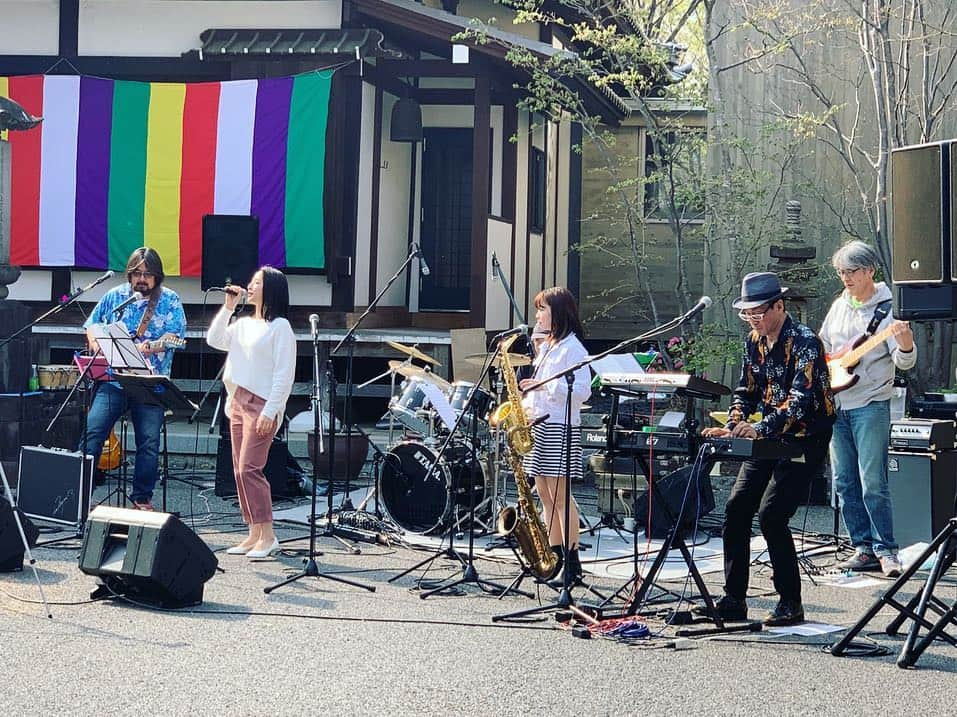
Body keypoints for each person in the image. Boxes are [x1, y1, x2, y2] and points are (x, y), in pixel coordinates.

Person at [701, 272, 836, 626]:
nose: (753, 320)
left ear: (779, 305)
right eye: (747, 314)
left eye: (758, 313)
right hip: (768, 436)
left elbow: (800, 402)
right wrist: (733, 426)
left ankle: (791, 601)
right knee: (736, 508)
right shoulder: (753, 341)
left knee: (772, 515)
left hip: (806, 436)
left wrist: (757, 428)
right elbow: (744, 390)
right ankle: (733, 598)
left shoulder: (806, 342)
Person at [819, 241, 914, 578]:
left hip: (871, 404)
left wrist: (905, 344)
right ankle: (862, 548)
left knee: (873, 481)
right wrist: (831, 366)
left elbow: (904, 361)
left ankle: (886, 549)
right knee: (844, 481)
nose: (845, 277)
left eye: (852, 271)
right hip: (839, 404)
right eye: (841, 272)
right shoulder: (838, 306)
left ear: (869, 270)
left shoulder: (888, 309)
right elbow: (824, 348)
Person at [81, 247, 186, 510]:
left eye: (148, 274)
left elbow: (177, 339)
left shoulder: (170, 300)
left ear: (157, 277)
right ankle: (80, 494)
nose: (142, 279)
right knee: (93, 432)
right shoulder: (115, 297)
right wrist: (96, 344)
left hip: (150, 382)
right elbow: (92, 325)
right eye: (137, 273)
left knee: (148, 442)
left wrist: (151, 347)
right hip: (114, 379)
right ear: (129, 275)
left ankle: (141, 497)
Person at [207, 267, 296, 559]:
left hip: (262, 403)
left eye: (257, 282)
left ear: (271, 289)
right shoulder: (244, 324)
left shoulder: (280, 327)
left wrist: (272, 410)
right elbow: (215, 340)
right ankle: (253, 533)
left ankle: (268, 535)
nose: (250, 286)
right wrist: (228, 307)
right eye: (251, 281)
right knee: (238, 470)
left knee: (250, 468)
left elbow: (285, 374)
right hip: (238, 399)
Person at [519, 287, 592, 583]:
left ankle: (573, 564)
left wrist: (543, 385)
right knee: (546, 496)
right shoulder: (549, 346)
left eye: (543, 309)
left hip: (560, 425)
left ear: (559, 313)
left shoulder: (574, 349)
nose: (538, 315)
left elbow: (582, 392)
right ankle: (554, 558)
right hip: (539, 423)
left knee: (561, 497)